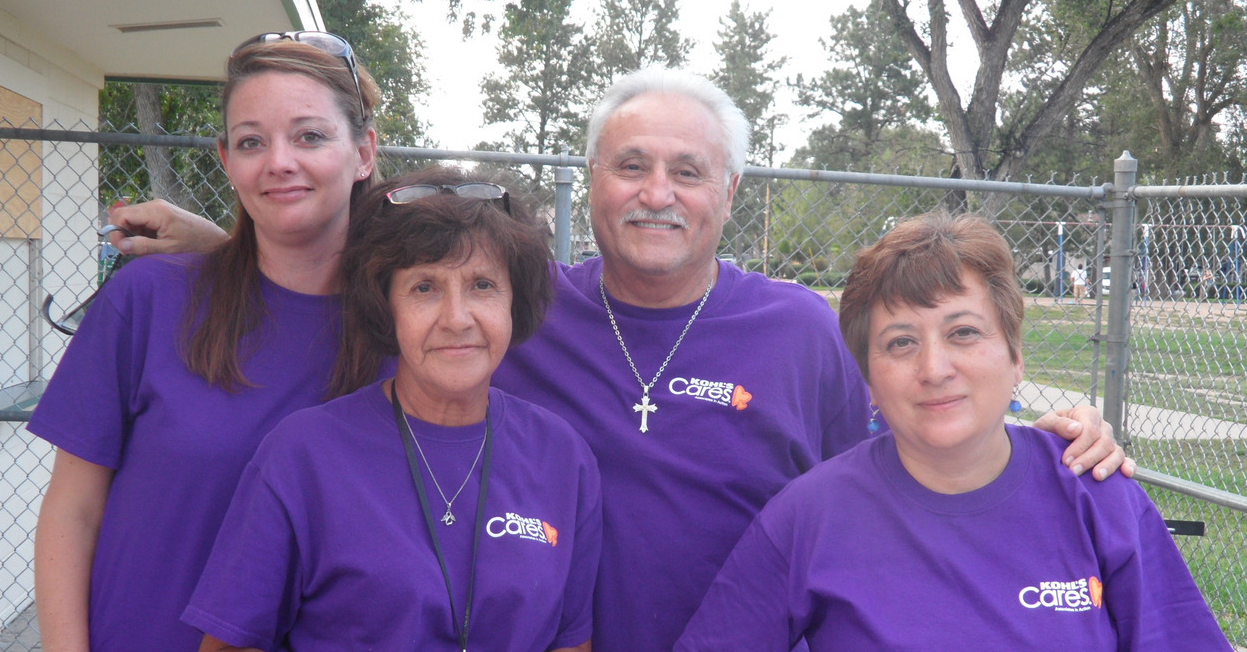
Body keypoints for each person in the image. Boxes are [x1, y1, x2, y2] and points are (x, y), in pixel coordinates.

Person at [106, 67, 1130, 652]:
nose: (656, 192)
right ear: (590, 180)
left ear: (730, 191)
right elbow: (390, 287)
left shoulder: (799, 332)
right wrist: (224, 245)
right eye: (630, 164)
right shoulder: (519, 310)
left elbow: (911, 447)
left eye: (688, 170)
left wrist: (1047, 438)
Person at [674, 212, 1230, 652]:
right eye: (900, 342)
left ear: (1015, 355)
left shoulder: (1095, 491)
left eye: (963, 332)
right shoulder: (809, 516)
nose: (934, 368)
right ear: (868, 380)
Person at [27, 31, 382, 652]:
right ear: (226, 160)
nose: (279, 162)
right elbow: (73, 510)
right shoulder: (149, 300)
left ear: (363, 153)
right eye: (251, 141)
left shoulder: (411, 335)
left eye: (310, 136)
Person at [183, 169, 601, 652]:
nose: (457, 318)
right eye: (424, 287)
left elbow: (572, 643)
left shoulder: (561, 456)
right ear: (385, 306)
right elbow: (231, 643)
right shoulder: (303, 455)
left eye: (482, 285)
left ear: (514, 302)